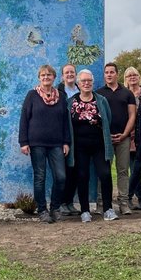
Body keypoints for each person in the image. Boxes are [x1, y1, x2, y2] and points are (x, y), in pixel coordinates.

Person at [19, 64, 71, 223]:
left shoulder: (61, 96)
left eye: (49, 75)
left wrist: (66, 141)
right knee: (40, 177)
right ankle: (42, 210)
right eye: (43, 75)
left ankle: (55, 208)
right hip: (37, 144)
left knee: (61, 177)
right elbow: (24, 119)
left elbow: (65, 121)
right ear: (39, 78)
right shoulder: (32, 95)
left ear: (54, 77)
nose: (46, 77)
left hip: (56, 143)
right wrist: (23, 142)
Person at [68, 69, 116, 222]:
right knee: (82, 176)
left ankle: (108, 209)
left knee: (105, 175)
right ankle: (85, 211)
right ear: (78, 83)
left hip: (99, 145)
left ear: (93, 83)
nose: (86, 83)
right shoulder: (72, 102)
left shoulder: (101, 100)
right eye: (83, 81)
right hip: (79, 147)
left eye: (89, 81)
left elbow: (108, 119)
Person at [96, 62, 136, 215]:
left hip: (123, 138)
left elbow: (132, 115)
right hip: (105, 140)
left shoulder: (127, 93)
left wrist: (125, 134)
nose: (109, 74)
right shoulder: (98, 93)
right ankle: (102, 203)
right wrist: (105, 135)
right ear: (104, 75)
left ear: (117, 74)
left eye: (112, 72)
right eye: (106, 72)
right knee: (104, 171)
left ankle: (124, 203)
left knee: (123, 170)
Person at [57, 64, 81, 216]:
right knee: (62, 172)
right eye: (67, 72)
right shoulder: (57, 92)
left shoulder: (81, 90)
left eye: (72, 72)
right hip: (62, 136)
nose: (70, 74)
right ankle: (60, 203)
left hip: (78, 136)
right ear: (62, 76)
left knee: (75, 171)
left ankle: (70, 202)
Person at [124, 66, 141, 210]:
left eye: (134, 75)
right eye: (129, 76)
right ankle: (139, 198)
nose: (132, 78)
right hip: (129, 135)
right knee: (134, 168)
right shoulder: (125, 94)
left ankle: (136, 197)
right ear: (125, 79)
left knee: (138, 168)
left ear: (139, 77)